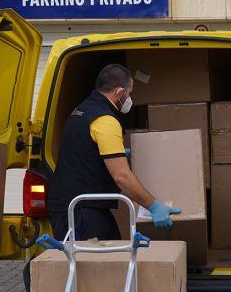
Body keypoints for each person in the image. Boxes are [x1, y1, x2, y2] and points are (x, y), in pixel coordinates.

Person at [46, 63, 181, 241]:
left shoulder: (83, 109)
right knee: (97, 265)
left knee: (113, 252)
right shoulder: (105, 120)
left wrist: (117, 152)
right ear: (119, 92)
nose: (130, 98)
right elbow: (121, 176)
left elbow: (85, 148)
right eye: (129, 93)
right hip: (79, 210)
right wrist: (153, 206)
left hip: (80, 204)